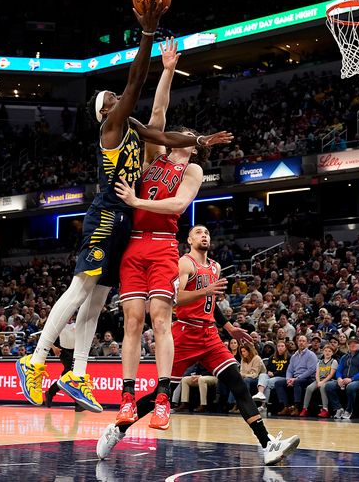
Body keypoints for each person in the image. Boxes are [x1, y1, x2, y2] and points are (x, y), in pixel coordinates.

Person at [15, 4, 230, 413]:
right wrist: (147, 34)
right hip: (109, 211)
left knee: (96, 301)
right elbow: (136, 86)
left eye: (118, 97)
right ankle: (36, 359)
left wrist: (200, 141)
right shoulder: (112, 127)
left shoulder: (137, 131)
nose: (119, 98)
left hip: (127, 223)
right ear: (105, 112)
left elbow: (162, 124)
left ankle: (77, 373)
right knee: (80, 289)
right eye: (113, 99)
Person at [96, 225, 299, 466]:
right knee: (160, 396)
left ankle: (267, 445)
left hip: (208, 334)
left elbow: (210, 303)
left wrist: (229, 328)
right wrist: (206, 290)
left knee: (239, 384)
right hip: (184, 333)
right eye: (199, 232)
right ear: (190, 239)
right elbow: (177, 297)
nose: (205, 235)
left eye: (207, 233)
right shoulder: (184, 262)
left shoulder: (215, 266)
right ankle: (117, 430)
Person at [113, 38, 230, 429]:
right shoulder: (153, 157)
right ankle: (128, 397)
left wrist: (136, 202)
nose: (176, 137)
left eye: (186, 137)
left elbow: (178, 207)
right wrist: (166, 70)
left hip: (163, 246)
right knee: (132, 322)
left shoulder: (191, 171)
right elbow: (158, 111)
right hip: (133, 247)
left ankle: (163, 397)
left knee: (160, 319)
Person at [325, 334, 359, 420]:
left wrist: (351, 379)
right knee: (329, 385)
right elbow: (339, 370)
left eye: (355, 343)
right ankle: (338, 408)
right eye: (351, 343)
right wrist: (339, 378)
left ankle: (349, 410)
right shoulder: (344, 357)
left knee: (351, 386)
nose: (353, 345)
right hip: (344, 380)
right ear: (348, 345)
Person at [273, 334, 318, 416]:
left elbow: (311, 370)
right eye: (300, 341)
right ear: (297, 342)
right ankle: (286, 406)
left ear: (307, 343)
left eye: (303, 341)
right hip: (295, 378)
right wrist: (288, 379)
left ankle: (297, 407)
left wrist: (296, 378)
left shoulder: (311, 355)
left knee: (297, 382)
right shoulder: (294, 356)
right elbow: (290, 370)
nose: (301, 343)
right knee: (278, 383)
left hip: (308, 378)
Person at [300, 345, 338, 418]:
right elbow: (317, 374)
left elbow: (331, 374)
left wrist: (322, 382)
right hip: (319, 380)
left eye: (329, 351)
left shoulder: (334, 361)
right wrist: (318, 382)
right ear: (323, 352)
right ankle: (305, 408)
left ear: (332, 353)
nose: (327, 353)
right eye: (326, 351)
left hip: (328, 380)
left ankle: (325, 409)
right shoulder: (319, 362)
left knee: (322, 387)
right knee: (309, 388)